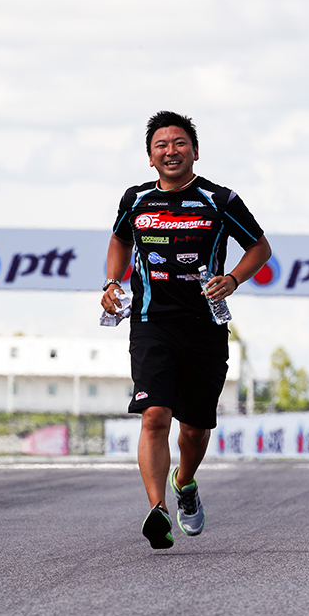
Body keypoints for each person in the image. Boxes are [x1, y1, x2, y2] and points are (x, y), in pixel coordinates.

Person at [101, 111, 272, 549]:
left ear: (195, 151)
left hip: (204, 327)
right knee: (154, 414)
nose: (171, 151)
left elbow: (259, 247)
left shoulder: (220, 200)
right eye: (161, 145)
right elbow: (120, 239)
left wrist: (232, 279)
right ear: (150, 157)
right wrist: (112, 282)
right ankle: (157, 509)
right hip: (150, 323)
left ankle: (185, 482)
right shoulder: (136, 200)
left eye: (179, 143)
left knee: (194, 430)